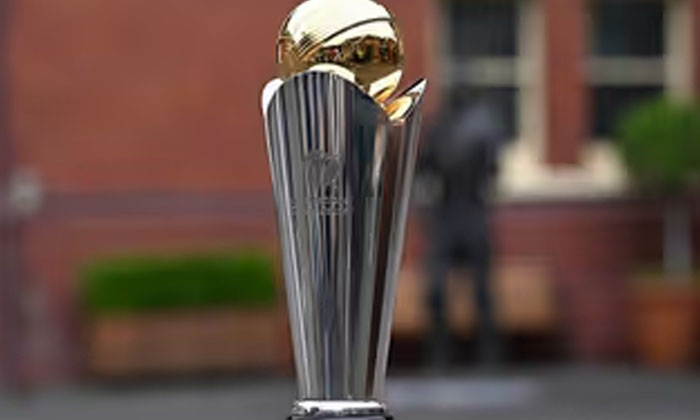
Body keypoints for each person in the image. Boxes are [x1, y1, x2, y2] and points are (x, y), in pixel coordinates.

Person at [415, 96, 505, 371]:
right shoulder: (440, 131)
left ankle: (488, 352)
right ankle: (440, 351)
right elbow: (423, 171)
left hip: (470, 213)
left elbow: (492, 171)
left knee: (482, 288)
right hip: (448, 214)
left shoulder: (480, 131)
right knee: (437, 288)